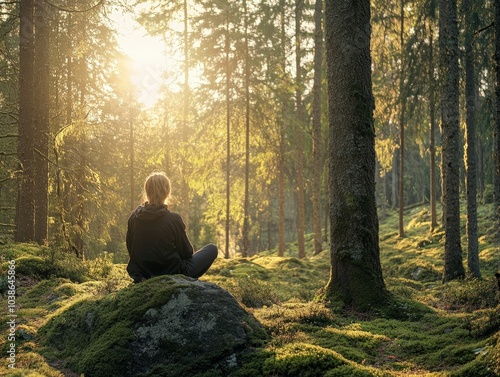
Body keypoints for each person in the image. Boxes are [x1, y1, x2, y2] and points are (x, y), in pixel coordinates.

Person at [126, 172, 218, 283]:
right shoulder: (173, 219)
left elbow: (131, 249)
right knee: (212, 249)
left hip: (142, 275)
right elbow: (187, 252)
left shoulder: (134, 218)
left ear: (147, 192)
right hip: (173, 274)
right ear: (167, 192)